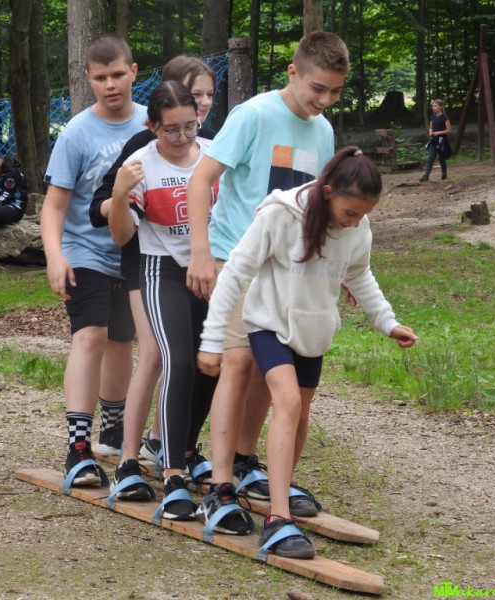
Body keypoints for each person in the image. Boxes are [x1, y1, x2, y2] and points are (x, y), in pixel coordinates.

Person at [198, 147, 418, 557]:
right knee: (287, 403)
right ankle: (278, 519)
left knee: (300, 414)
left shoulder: (357, 228)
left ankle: (277, 493)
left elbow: (360, 274)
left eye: (362, 215)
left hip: (313, 332)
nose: (355, 221)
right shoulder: (281, 215)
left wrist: (388, 323)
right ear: (328, 192)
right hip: (269, 323)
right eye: (350, 212)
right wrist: (212, 339)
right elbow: (236, 272)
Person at [185, 31, 351, 534]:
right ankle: (218, 488)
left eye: (335, 91)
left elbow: (319, 204)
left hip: (287, 269)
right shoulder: (254, 116)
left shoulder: (323, 131)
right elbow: (201, 179)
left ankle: (243, 461)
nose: (325, 100)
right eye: (317, 88)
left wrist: (338, 268)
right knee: (236, 363)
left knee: (267, 367)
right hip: (237, 256)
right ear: (293, 73)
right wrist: (201, 253)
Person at [89, 56, 217, 498]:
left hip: (209, 269)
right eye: (170, 130)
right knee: (173, 358)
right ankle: (167, 472)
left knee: (210, 363)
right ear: (152, 126)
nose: (181, 138)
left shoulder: (213, 157)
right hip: (158, 268)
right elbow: (122, 234)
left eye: (189, 127)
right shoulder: (141, 162)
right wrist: (120, 192)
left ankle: (183, 450)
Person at [40, 34, 148, 488]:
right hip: (85, 252)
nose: (110, 85)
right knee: (91, 337)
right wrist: (55, 256)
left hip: (135, 254)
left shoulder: (152, 123)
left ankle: (114, 430)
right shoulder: (76, 133)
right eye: (101, 78)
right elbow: (54, 206)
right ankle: (78, 448)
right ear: (87, 78)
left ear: (134, 72)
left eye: (118, 75)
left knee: (122, 342)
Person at [419, 99, 452, 182]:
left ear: (441, 107)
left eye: (436, 106)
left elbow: (448, 130)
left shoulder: (445, 118)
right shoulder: (432, 117)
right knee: (431, 158)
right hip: (434, 140)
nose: (434, 108)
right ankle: (426, 176)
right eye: (433, 106)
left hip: (442, 141)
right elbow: (431, 127)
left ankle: (444, 174)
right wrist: (430, 131)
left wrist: (439, 132)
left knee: (441, 158)